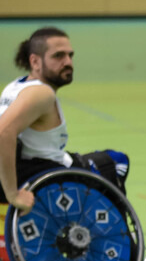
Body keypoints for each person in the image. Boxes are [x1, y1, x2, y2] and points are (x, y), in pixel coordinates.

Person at [0, 27, 130, 212]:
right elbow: (3, 132)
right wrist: (12, 194)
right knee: (117, 161)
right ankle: (117, 237)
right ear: (35, 61)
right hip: (48, 175)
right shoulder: (41, 93)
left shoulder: (14, 86)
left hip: (35, 167)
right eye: (58, 56)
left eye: (70, 55)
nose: (68, 62)